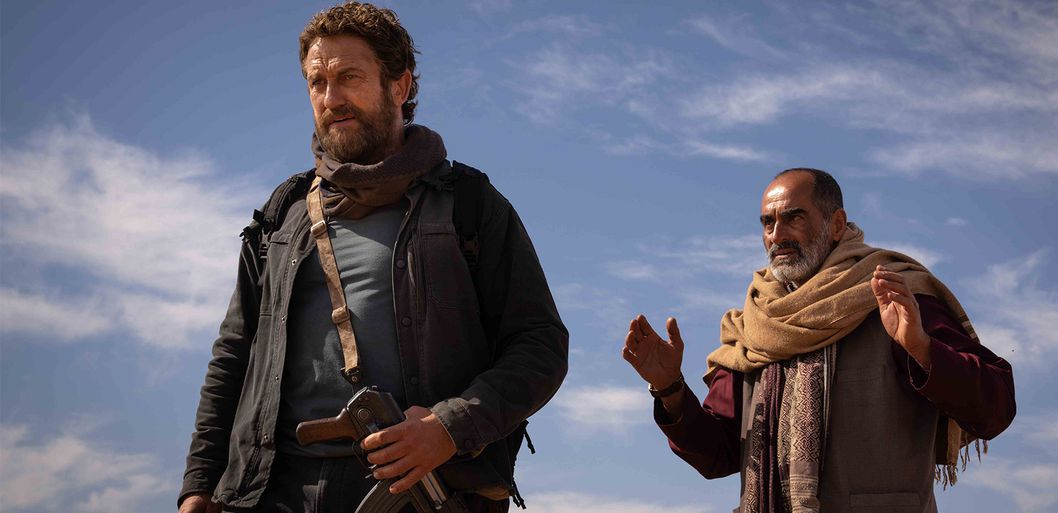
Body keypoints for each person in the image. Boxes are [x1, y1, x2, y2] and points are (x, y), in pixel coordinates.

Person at [178, 3, 568, 512]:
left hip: (425, 491)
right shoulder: (283, 216)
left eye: (349, 78)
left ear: (400, 87)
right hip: (271, 494)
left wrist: (448, 428)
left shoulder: (469, 205)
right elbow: (234, 355)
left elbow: (540, 345)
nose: (331, 98)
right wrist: (199, 486)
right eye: (316, 83)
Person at [622, 168, 1014, 513]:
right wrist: (669, 387)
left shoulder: (892, 295)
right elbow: (718, 454)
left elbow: (996, 405)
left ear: (837, 223)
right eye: (768, 223)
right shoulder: (754, 326)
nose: (778, 235)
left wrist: (922, 348)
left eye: (793, 218)